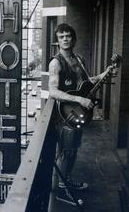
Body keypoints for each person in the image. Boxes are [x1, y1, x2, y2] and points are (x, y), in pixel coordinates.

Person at [48, 23, 112, 206]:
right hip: (64, 115)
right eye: (61, 36)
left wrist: (104, 74)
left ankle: (66, 180)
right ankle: (61, 190)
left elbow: (86, 82)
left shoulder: (80, 59)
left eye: (68, 36)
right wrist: (80, 101)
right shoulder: (56, 63)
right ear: (57, 40)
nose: (65, 39)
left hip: (79, 113)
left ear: (74, 39)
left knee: (74, 149)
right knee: (66, 152)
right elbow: (53, 91)